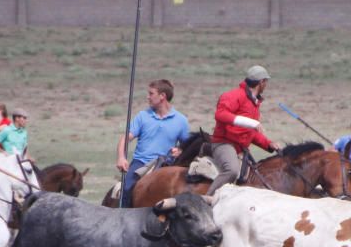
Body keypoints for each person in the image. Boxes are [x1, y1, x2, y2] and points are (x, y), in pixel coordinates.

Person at [206, 65, 279, 196]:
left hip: (241, 149)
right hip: (224, 144)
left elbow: (250, 133)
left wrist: (268, 144)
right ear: (261, 82)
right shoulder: (233, 96)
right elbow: (220, 114)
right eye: (266, 82)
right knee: (232, 171)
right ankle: (207, 199)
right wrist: (251, 122)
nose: (266, 85)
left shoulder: (254, 103)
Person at [115, 79, 189, 208]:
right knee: (126, 188)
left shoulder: (181, 120)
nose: (147, 97)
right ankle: (123, 216)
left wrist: (180, 150)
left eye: (151, 93)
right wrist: (121, 158)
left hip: (166, 164)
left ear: (162, 96)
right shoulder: (143, 116)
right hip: (141, 162)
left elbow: (186, 147)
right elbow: (125, 138)